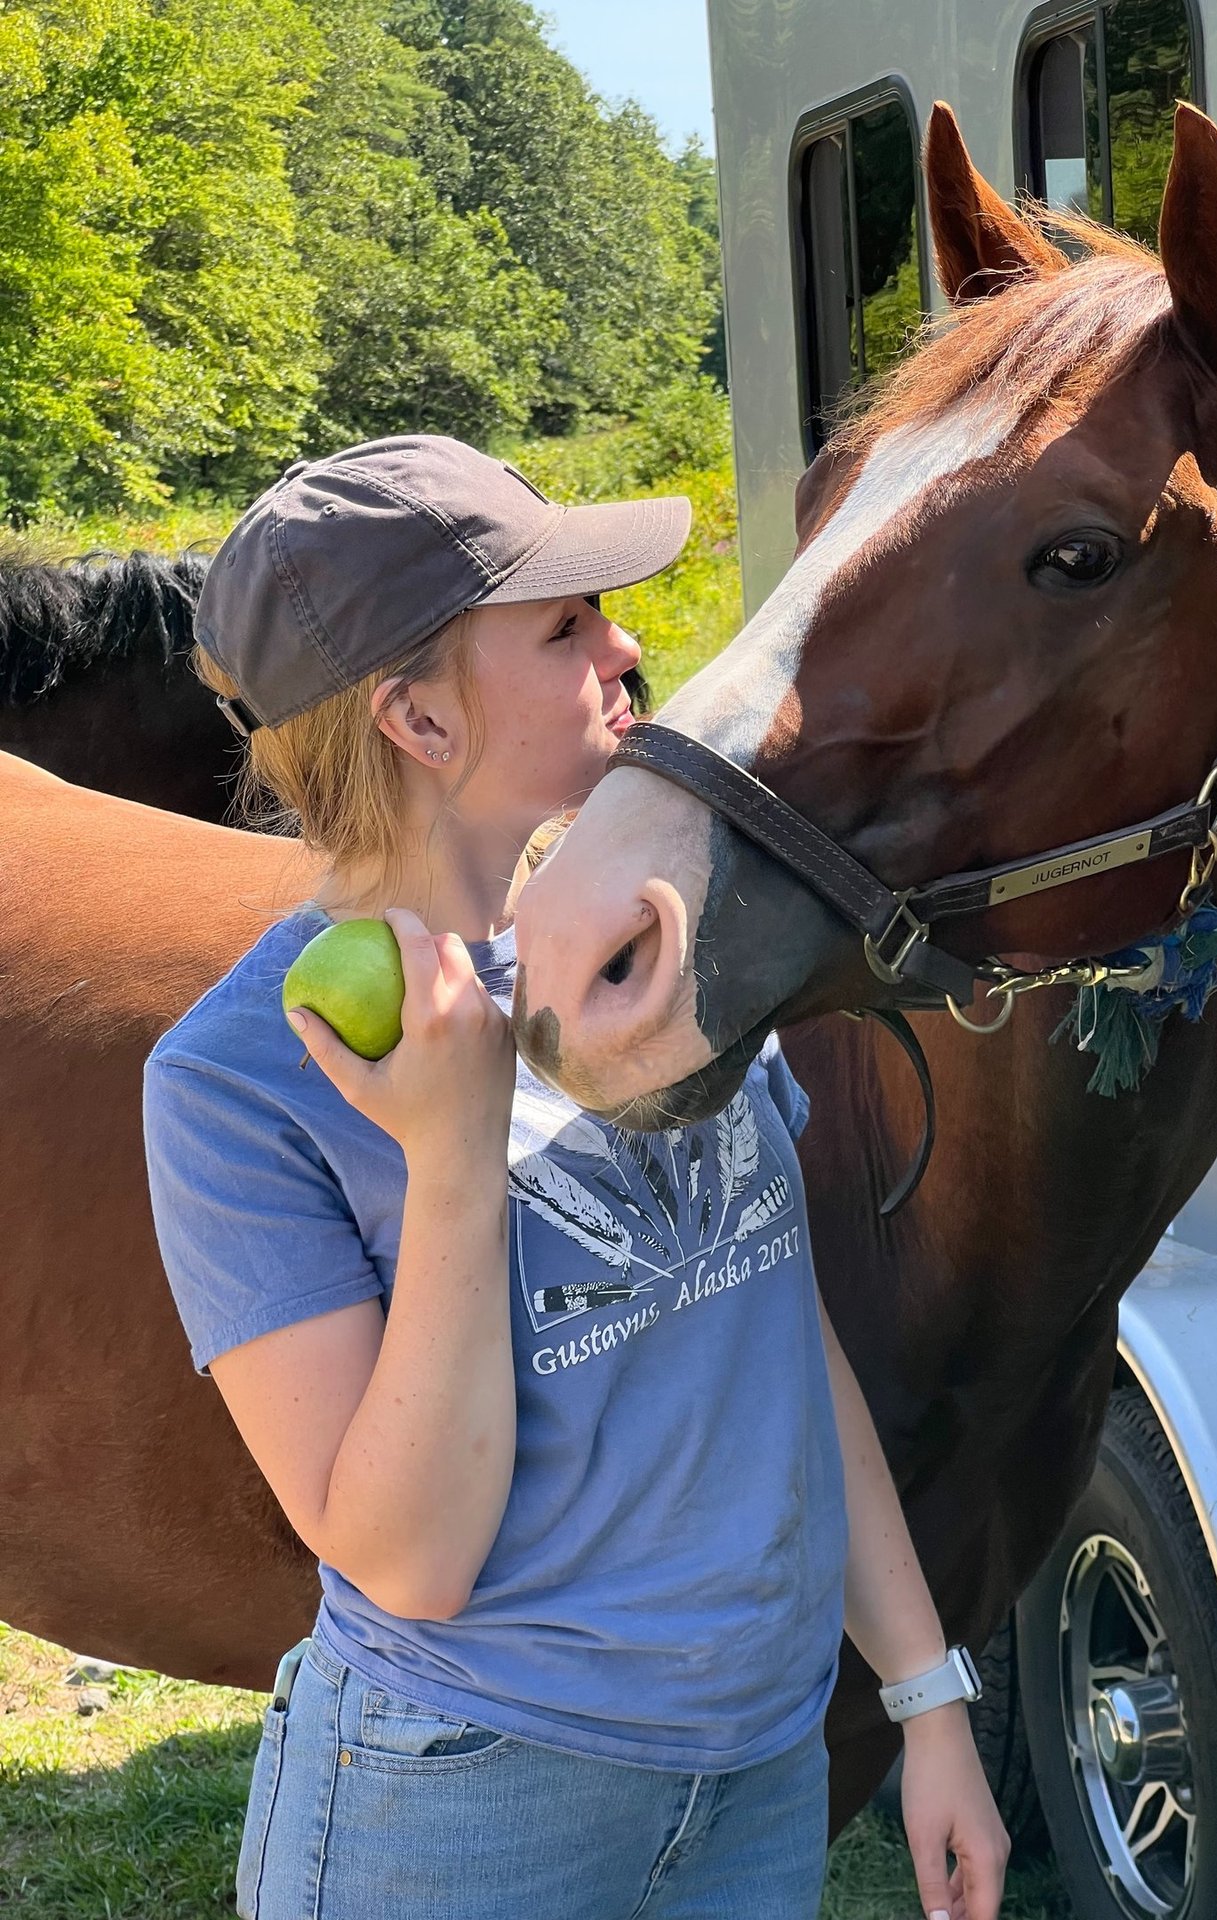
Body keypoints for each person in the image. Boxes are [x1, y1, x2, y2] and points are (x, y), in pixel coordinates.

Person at [141, 434, 1010, 1920]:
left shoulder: (653, 952)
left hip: (754, 1773)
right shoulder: (237, 1087)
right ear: (417, 716)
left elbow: (780, 1343)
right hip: (465, 1800)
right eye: (564, 627)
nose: (628, 645)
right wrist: (451, 1153)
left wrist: (926, 1696)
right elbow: (408, 1559)